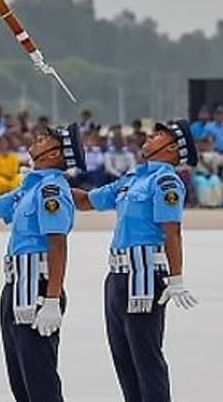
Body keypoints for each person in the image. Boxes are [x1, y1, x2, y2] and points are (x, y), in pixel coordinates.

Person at [73, 119, 200, 402]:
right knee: (123, 358)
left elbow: (172, 231)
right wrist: (52, 183)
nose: (149, 136)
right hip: (118, 276)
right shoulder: (133, 178)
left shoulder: (165, 182)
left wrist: (176, 278)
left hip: (144, 277)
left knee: (146, 358)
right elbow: (87, 200)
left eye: (158, 135)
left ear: (172, 148)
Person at [0, 123, 80, 402]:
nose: (37, 139)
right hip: (15, 286)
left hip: (39, 288)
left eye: (44, 139)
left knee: (40, 381)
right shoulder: (29, 187)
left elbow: (58, 244)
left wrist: (52, 299)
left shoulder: (51, 190)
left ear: (55, 153)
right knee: (20, 380)